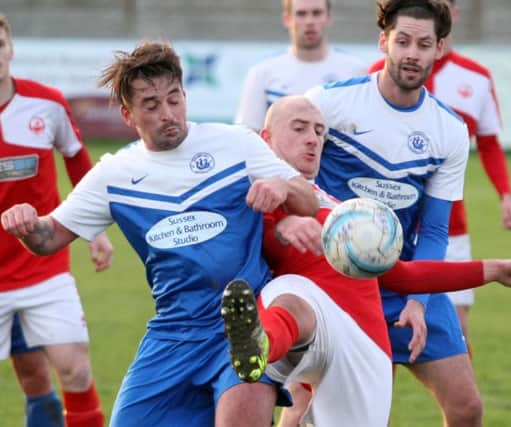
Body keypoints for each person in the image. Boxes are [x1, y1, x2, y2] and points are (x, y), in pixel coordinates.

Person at [1, 40, 319, 427]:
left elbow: (307, 200)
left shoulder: (235, 143)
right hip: (173, 333)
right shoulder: (114, 174)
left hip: (243, 327)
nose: (168, 113)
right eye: (151, 105)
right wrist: (26, 224)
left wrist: (283, 188)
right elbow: (47, 238)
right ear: (128, 114)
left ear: (185, 96)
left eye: (174, 99)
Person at [220, 96, 511, 426]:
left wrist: (495, 270)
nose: (313, 139)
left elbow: (404, 276)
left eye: (320, 131)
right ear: (266, 138)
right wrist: (282, 225)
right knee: (292, 296)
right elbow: (243, 239)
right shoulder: (250, 192)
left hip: (363, 344)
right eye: (299, 128)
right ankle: (259, 344)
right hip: (304, 326)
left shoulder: (339, 209)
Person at [305, 0, 486, 425]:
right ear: (383, 40)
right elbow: (288, 173)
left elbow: (437, 229)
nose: (412, 53)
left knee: (467, 407)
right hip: (338, 281)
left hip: (406, 278)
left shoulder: (448, 130)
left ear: (440, 48)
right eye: (402, 41)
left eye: (424, 44)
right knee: (322, 412)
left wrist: (419, 302)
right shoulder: (331, 104)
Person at [368, 0, 511, 356]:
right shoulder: (380, 71)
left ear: (453, 14)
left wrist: (506, 195)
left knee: (457, 329)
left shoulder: (477, 77)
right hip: (388, 227)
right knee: (381, 337)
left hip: (449, 225)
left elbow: (488, 142)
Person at [0, 14, 112, 427]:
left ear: (10, 48)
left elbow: (78, 160)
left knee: (75, 369)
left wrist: (94, 229)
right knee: (32, 376)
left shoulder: (46, 104)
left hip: (43, 269)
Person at [235, 0, 367, 132]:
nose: (309, 21)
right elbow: (248, 134)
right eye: (301, 14)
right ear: (287, 19)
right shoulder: (261, 72)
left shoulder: (356, 71)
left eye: (317, 13)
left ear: (328, 18)